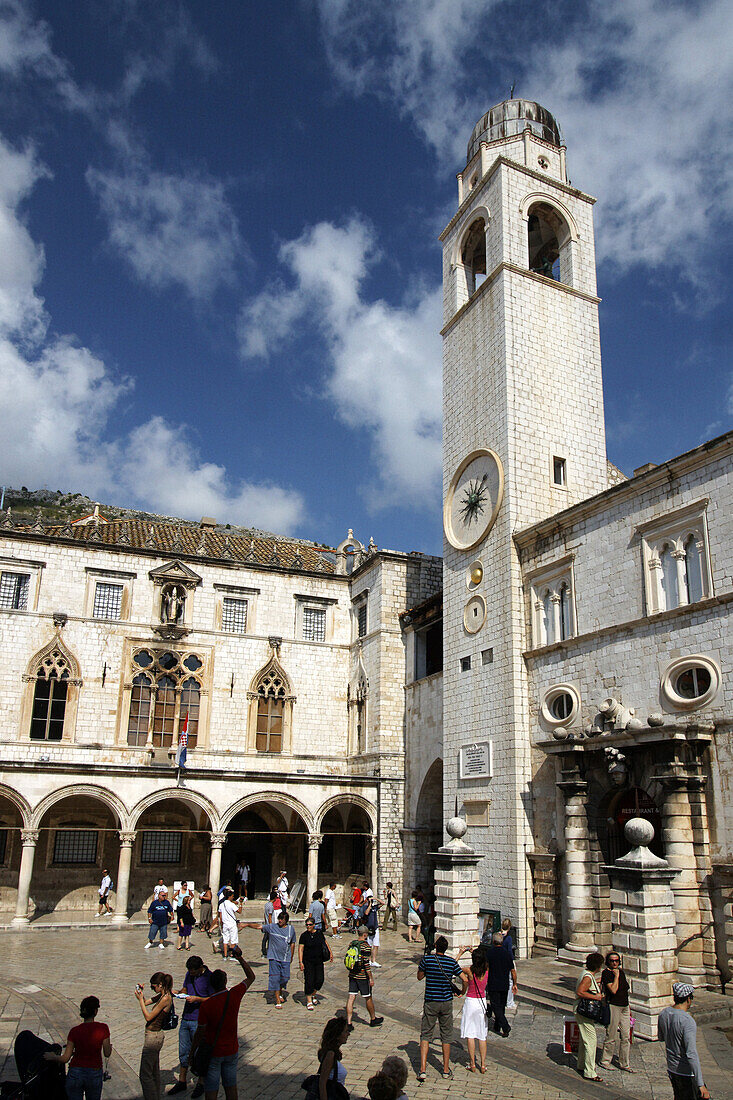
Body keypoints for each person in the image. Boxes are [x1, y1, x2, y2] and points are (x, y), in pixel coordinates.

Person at [190, 947, 256, 1100]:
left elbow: (200, 1032)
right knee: (231, 1088)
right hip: (231, 1050)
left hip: (214, 1052)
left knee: (211, 1090)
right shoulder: (234, 995)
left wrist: (192, 1052)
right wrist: (240, 958)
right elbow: (251, 977)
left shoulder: (207, 1005)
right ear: (225, 982)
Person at [43, 994, 111, 1100]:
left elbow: (65, 1058)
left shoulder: (74, 1031)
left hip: (76, 1073)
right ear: (95, 1012)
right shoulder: (103, 1028)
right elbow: (107, 1053)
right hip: (94, 1072)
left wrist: (52, 1056)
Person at [417, 934, 466, 1081]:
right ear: (446, 949)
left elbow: (419, 977)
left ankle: (423, 1069)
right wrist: (462, 992)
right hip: (445, 1002)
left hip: (431, 1001)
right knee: (446, 1036)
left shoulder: (427, 960)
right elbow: (464, 978)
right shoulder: (451, 962)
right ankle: (445, 1069)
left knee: (426, 1034)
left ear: (436, 947)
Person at [168, 956, 216, 1097]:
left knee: (199, 1053)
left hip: (199, 1019)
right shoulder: (189, 974)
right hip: (186, 1017)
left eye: (194, 972)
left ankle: (201, 1083)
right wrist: (180, 993)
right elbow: (185, 988)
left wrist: (198, 999)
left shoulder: (210, 977)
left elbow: (213, 998)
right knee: (183, 1050)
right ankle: (182, 1081)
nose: (191, 974)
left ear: (201, 967)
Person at [658, 983, 709, 1100]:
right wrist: (700, 1084)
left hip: (672, 1068)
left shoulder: (663, 1014)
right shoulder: (687, 1021)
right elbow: (691, 1053)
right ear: (688, 999)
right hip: (686, 1073)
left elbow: (661, 1037)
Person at [244, 909, 296, 1006]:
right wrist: (247, 924)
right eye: (279, 919)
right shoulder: (272, 927)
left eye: (282, 919)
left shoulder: (290, 929)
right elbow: (259, 927)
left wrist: (291, 956)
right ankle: (277, 1000)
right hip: (274, 957)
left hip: (285, 958)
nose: (280, 921)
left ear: (286, 921)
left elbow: (292, 943)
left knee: (285, 978)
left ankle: (280, 991)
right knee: (275, 978)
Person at [135, 971, 173, 1100]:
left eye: (154, 987)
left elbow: (148, 1017)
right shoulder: (161, 995)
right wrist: (141, 995)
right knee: (154, 1072)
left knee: (145, 1075)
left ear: (161, 985)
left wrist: (140, 1001)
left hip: (153, 1038)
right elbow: (146, 1003)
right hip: (153, 1036)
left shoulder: (166, 998)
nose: (153, 989)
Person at [574, 951, 605, 1081]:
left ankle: (581, 1065)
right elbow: (580, 991)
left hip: (581, 1011)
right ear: (598, 966)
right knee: (591, 1041)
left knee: (584, 1039)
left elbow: (590, 982)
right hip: (583, 1011)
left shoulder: (588, 975)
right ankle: (590, 1072)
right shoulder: (587, 977)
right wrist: (596, 997)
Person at [457, 946, 489, 1073]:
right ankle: (482, 1064)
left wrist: (460, 953)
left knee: (470, 1034)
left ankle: (472, 1064)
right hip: (481, 1002)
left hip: (471, 1001)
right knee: (482, 1035)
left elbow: (454, 965)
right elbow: (484, 960)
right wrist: (473, 952)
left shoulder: (469, 971)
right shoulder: (486, 970)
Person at [600, 951, 633, 1073]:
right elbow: (613, 990)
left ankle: (625, 1063)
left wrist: (629, 1009)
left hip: (624, 1006)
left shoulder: (621, 972)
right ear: (608, 962)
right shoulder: (607, 973)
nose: (614, 963)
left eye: (617, 961)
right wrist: (616, 976)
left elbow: (625, 991)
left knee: (626, 1036)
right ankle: (605, 1060)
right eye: (612, 961)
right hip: (613, 1006)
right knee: (611, 1035)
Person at [345, 924, 383, 1029]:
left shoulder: (352, 944)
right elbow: (366, 964)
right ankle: (373, 1018)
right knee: (368, 997)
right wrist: (370, 978)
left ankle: (349, 1022)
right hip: (362, 977)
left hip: (352, 975)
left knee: (351, 997)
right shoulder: (366, 946)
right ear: (365, 935)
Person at [299, 915, 332, 1009]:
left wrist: (330, 953)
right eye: (307, 925)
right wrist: (301, 962)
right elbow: (301, 949)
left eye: (310, 925)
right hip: (308, 961)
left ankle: (313, 994)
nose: (308, 926)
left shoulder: (319, 933)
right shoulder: (304, 936)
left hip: (318, 960)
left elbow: (325, 943)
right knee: (309, 980)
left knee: (319, 980)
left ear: (314, 925)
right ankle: (309, 1001)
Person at [314, 1017, 349, 1100]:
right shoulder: (330, 1054)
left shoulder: (331, 1053)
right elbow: (322, 1083)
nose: (348, 1034)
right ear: (337, 1035)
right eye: (345, 1031)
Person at [218, 887, 243, 960]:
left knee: (225, 940)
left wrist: (221, 925)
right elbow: (239, 911)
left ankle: (225, 956)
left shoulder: (221, 905)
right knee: (233, 940)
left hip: (225, 924)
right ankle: (232, 955)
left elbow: (220, 916)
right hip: (232, 924)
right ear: (229, 896)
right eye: (232, 896)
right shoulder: (231, 904)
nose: (233, 897)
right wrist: (241, 903)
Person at [363, 893, 382, 966]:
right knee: (369, 945)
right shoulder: (365, 907)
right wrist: (369, 904)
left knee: (376, 945)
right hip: (368, 928)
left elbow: (383, 903)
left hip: (375, 928)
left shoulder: (375, 908)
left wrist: (375, 899)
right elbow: (366, 913)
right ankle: (369, 960)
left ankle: (374, 960)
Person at [501, 918, 516, 1009]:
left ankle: (505, 1000)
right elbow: (509, 951)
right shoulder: (509, 938)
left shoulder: (499, 935)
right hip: (507, 961)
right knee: (510, 981)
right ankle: (509, 1002)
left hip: (500, 960)